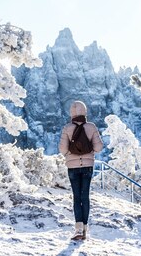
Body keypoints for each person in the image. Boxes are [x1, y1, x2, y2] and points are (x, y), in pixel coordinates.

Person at [58, 100, 103, 240]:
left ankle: (78, 229)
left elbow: (62, 149)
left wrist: (70, 156)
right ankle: (85, 230)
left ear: (71, 113)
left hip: (72, 168)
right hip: (88, 167)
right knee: (85, 196)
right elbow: (98, 148)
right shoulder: (91, 127)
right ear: (85, 111)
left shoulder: (67, 128)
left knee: (77, 197)